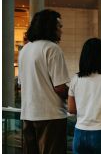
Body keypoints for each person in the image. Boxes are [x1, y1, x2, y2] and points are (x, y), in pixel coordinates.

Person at [18, 9, 70, 154]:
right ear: (49, 26)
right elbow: (60, 87)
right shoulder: (52, 49)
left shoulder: (24, 50)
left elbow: (21, 84)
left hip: (28, 115)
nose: (61, 30)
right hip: (51, 116)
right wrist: (76, 96)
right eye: (59, 26)